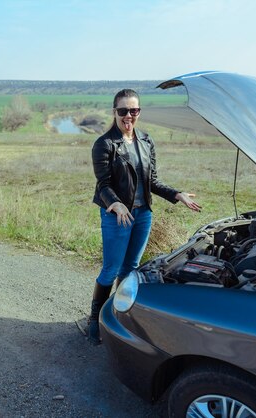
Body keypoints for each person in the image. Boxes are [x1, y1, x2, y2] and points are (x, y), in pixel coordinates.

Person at [88, 88, 201, 345]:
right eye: (123, 110)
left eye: (134, 110)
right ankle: (94, 320)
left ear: (139, 112)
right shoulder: (105, 144)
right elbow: (103, 184)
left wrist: (177, 194)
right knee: (111, 269)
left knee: (131, 269)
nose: (129, 115)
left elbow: (152, 181)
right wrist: (115, 204)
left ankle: (117, 316)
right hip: (117, 215)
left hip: (142, 215)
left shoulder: (146, 141)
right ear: (114, 112)